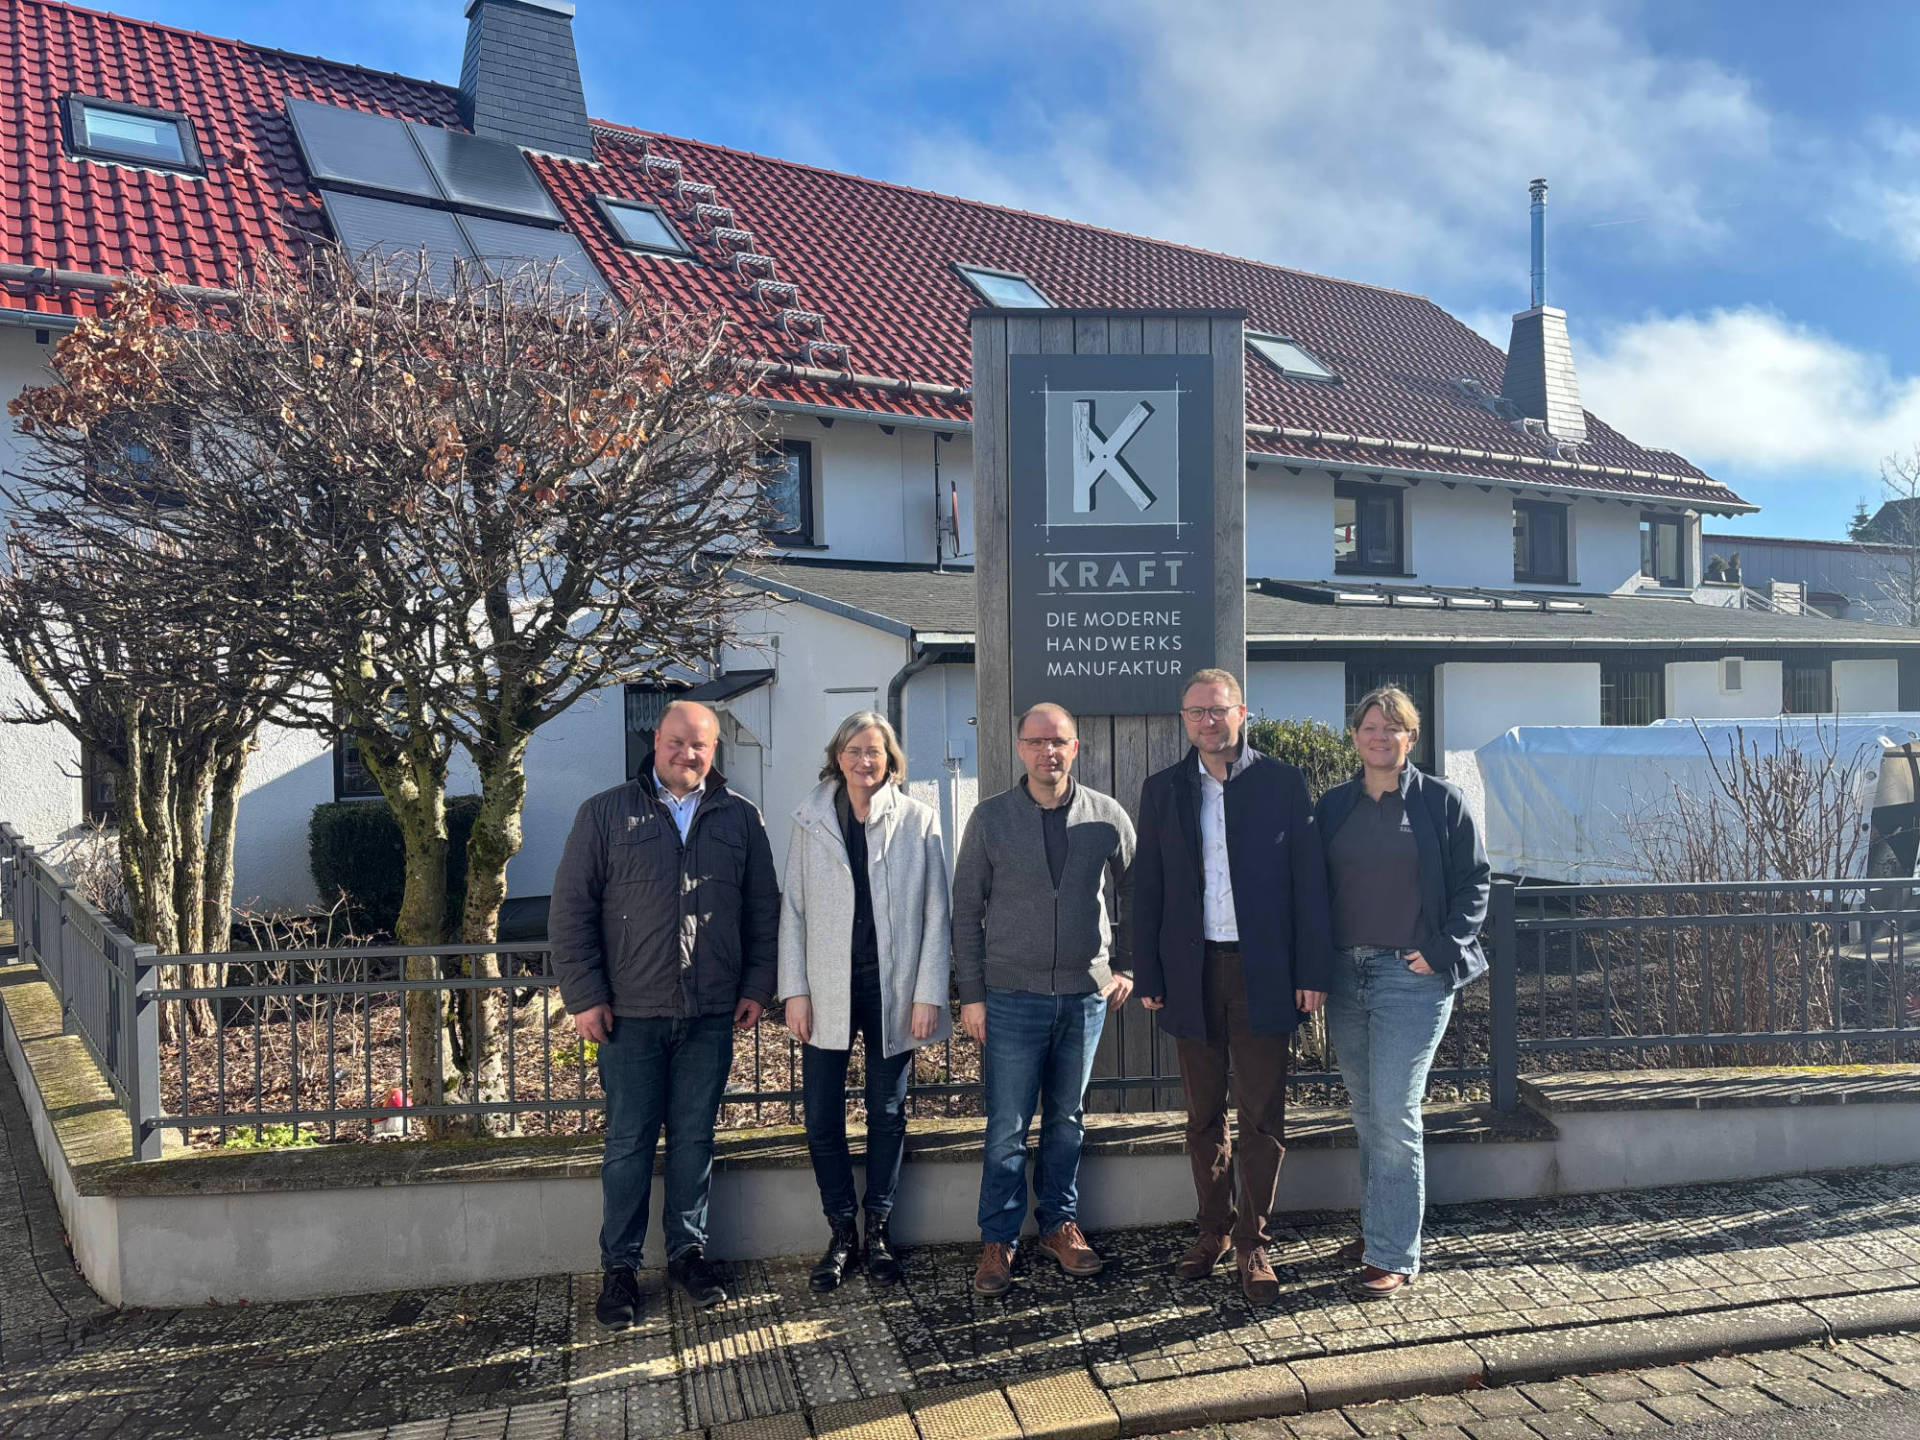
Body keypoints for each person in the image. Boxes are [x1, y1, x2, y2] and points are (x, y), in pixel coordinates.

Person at [549, 699, 779, 1328]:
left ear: (715, 751)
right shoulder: (604, 813)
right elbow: (570, 913)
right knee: (626, 1146)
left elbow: (764, 910)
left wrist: (757, 984)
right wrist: (585, 996)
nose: (688, 755)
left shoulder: (740, 818)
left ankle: (688, 1254)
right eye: (678, 742)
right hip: (630, 1014)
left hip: (710, 1014)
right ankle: (620, 1269)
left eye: (700, 746)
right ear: (657, 740)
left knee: (695, 1140)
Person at [1133, 668, 1334, 1302]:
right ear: (1183, 719)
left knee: (1261, 1115)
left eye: (1217, 711)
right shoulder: (1162, 790)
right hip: (1191, 974)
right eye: (1195, 713)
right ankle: (1212, 1229)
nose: (1207, 722)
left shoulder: (1281, 783)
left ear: (1241, 712)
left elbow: (1310, 886)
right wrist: (1150, 972)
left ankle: (1253, 1242)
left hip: (1264, 974)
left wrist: (1312, 972)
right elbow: (1149, 889)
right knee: (1201, 1116)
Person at [952, 701, 1136, 1297]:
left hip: (1084, 997)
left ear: (1074, 747)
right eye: (1035, 742)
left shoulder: (1106, 817)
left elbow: (1139, 893)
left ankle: (1060, 1226)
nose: (1046, 752)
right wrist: (972, 995)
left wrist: (1126, 964)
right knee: (1006, 1126)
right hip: (1009, 997)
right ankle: (998, 1241)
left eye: (1057, 742)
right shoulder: (990, 819)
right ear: (1020, 748)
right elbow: (964, 913)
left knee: (1066, 1119)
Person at [1313, 686, 1490, 1300]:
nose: (1380, 737)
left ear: (1411, 738)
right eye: (1369, 727)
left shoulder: (1442, 801)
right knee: (1367, 1113)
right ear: (1355, 736)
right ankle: (1382, 1227)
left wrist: (1441, 951)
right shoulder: (1334, 805)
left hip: (1410, 979)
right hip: (1344, 974)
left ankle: (1393, 1251)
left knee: (1394, 1113)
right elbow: (1313, 891)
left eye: (1394, 728)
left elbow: (1475, 883)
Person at [779, 711, 952, 1291]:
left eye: (875, 751)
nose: (864, 761)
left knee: (886, 1113)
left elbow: (936, 914)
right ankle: (840, 1232)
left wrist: (928, 993)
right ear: (838, 755)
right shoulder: (810, 819)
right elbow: (793, 913)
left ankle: (877, 1230)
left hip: (892, 989)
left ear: (891, 759)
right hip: (827, 989)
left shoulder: (919, 822)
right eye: (855, 750)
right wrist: (795, 992)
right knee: (821, 1117)